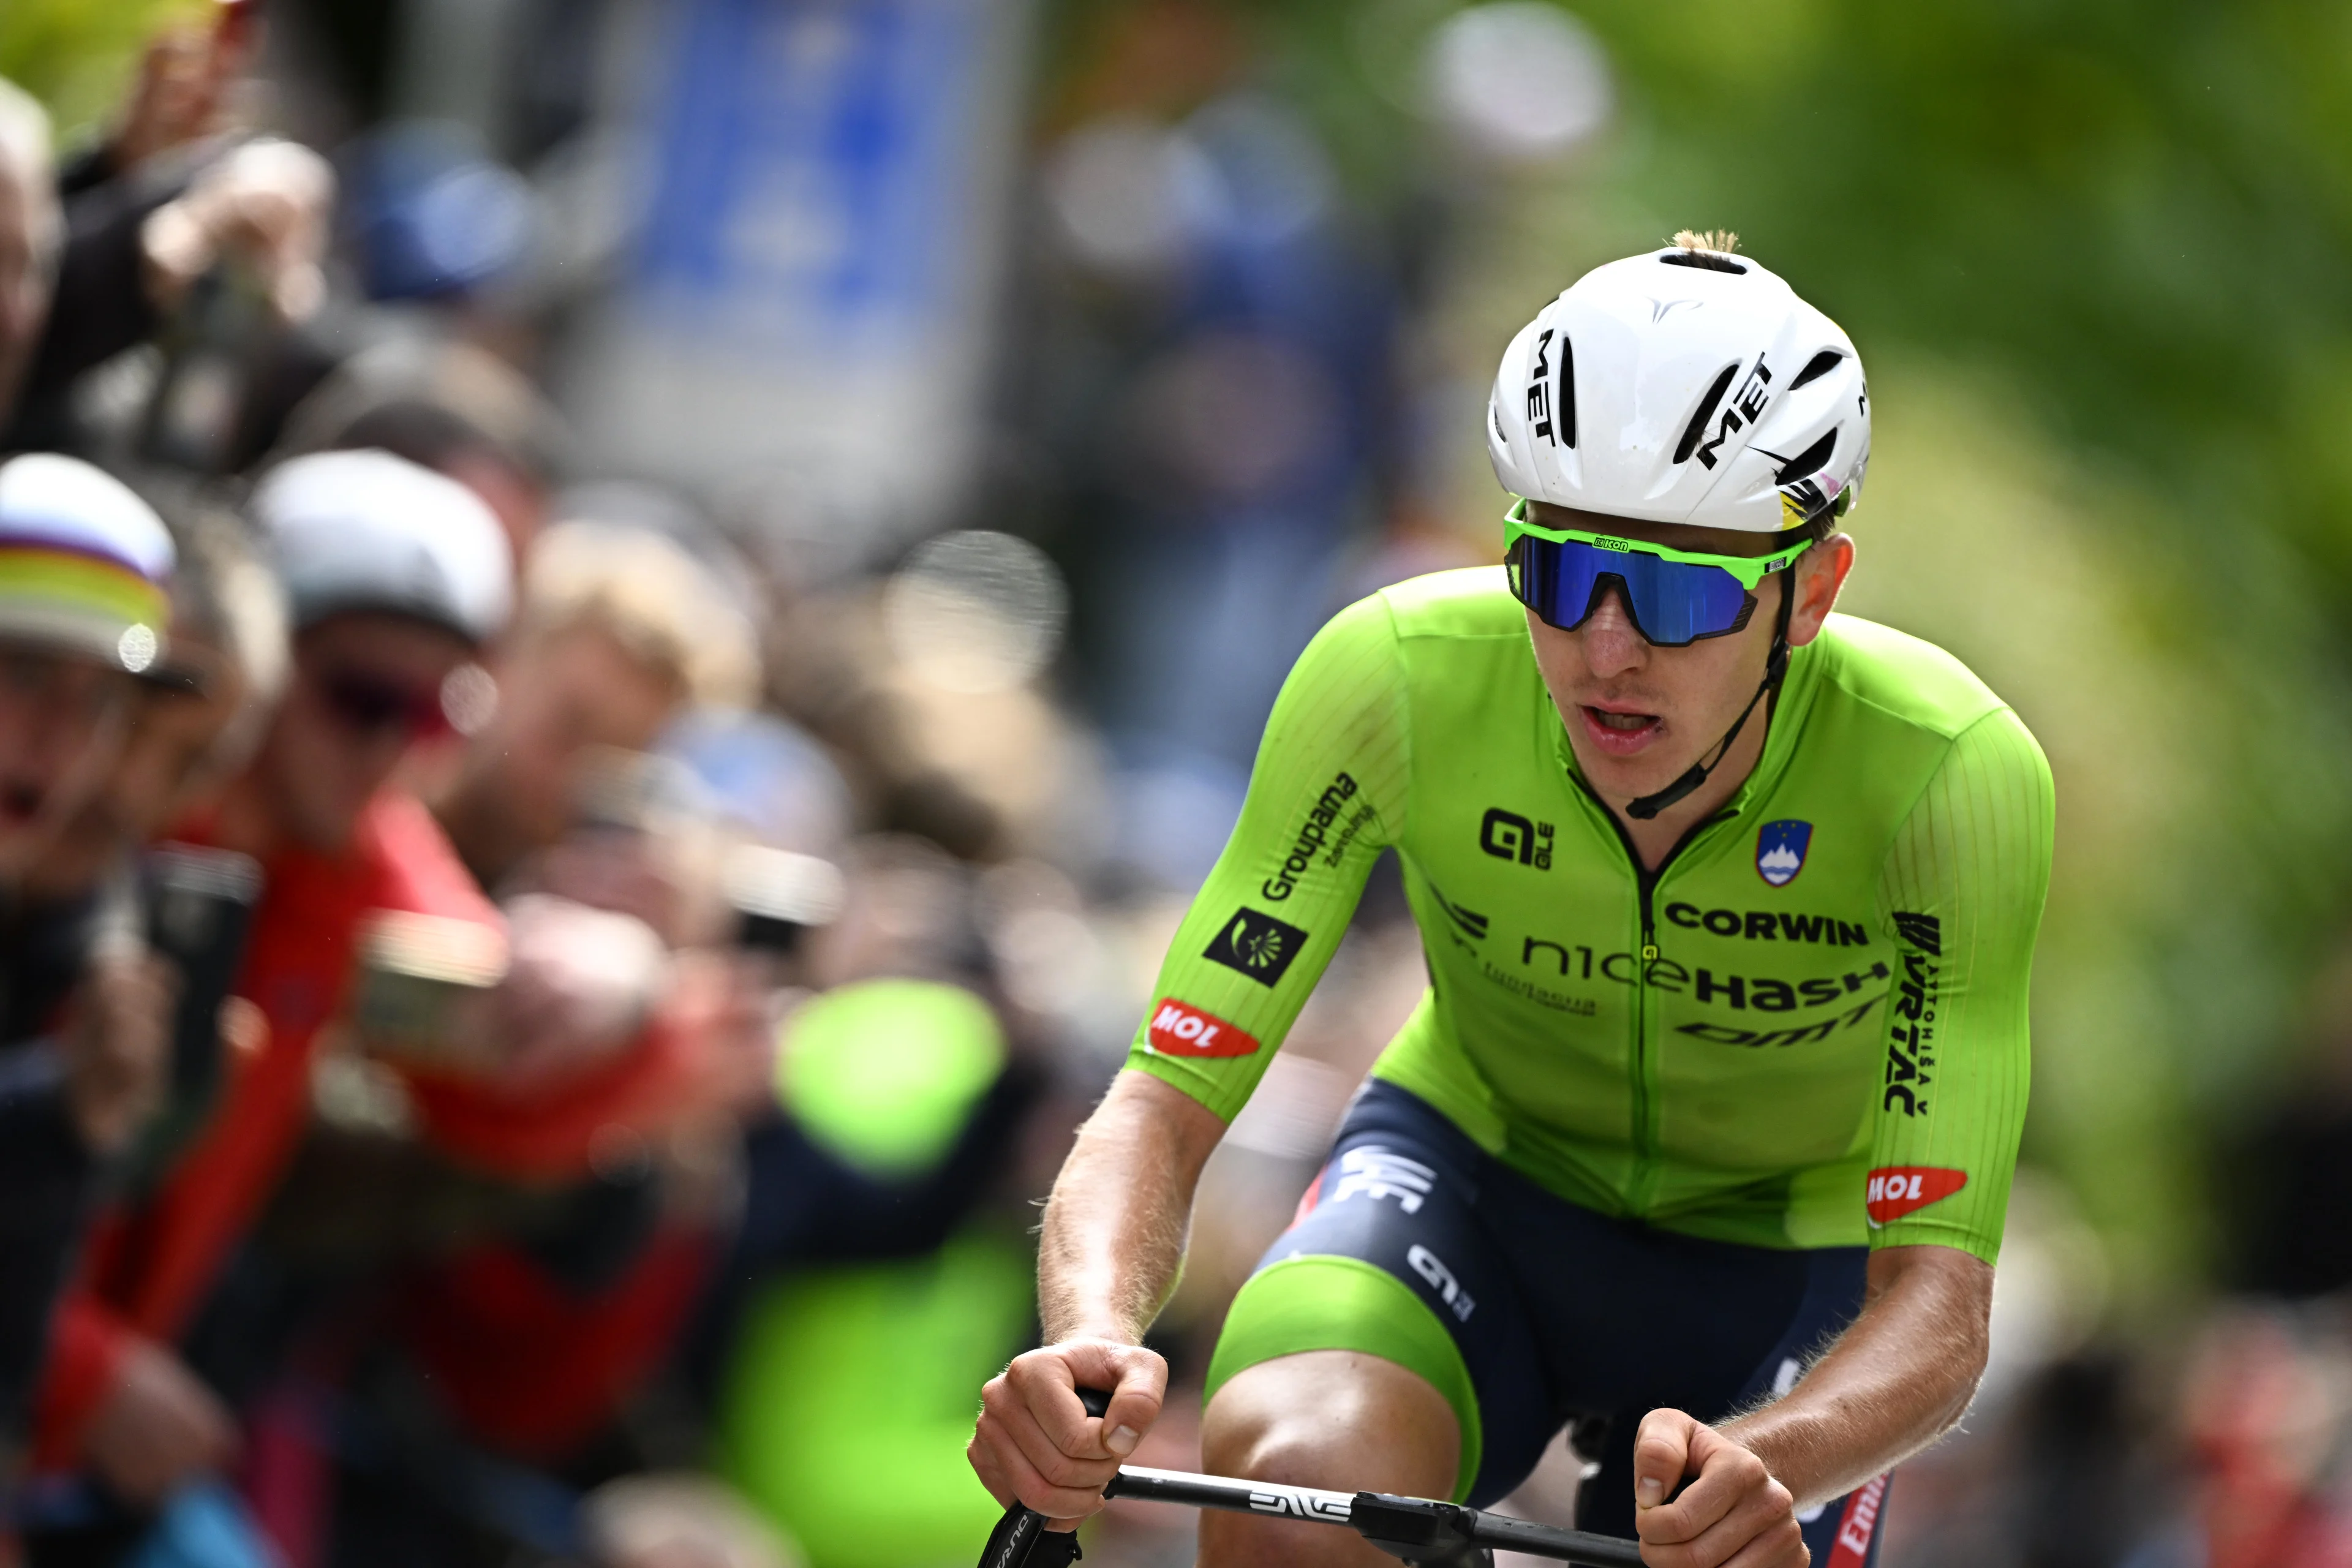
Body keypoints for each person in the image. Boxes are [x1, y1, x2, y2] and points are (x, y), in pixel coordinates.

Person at [968, 234, 2055, 1568]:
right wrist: (1086, 1335)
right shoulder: (1397, 675)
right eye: (1556, 569)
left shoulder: (1948, 769)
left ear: (1811, 591)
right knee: (1303, 1483)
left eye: (1677, 589)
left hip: (1800, 1259)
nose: (1607, 646)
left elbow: (1941, 1298)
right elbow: (1165, 1095)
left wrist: (1772, 1459)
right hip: (1474, 1180)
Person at [0, 454, 179, 1472]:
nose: (62, 740)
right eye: (25, 674)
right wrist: (56, 1111)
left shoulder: (58, 928)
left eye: (102, 700)